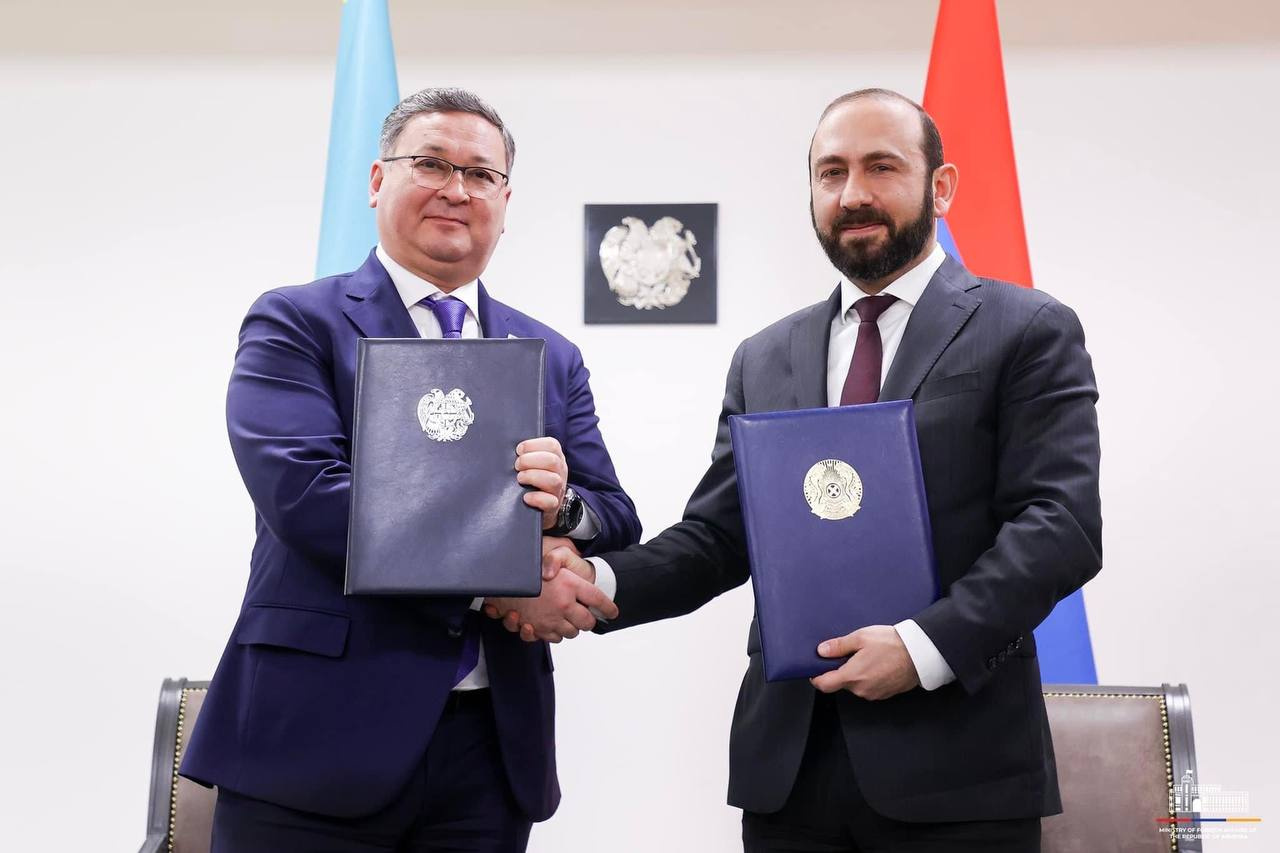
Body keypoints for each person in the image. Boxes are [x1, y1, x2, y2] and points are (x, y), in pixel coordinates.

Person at [504, 88, 1102, 851]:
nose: (853, 194)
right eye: (831, 172)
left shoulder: (1027, 329)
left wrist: (922, 647)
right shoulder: (766, 355)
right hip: (790, 771)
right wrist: (596, 581)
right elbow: (719, 538)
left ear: (941, 186)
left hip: (961, 772)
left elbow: (1059, 525)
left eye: (882, 167)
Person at [181, 87, 640, 852]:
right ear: (376, 180)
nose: (456, 189)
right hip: (314, 738)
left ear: (505, 199)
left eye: (480, 173)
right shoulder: (297, 322)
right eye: (430, 163)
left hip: (491, 749)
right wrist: (499, 578)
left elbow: (615, 514)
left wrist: (560, 508)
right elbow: (309, 497)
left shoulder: (551, 355)